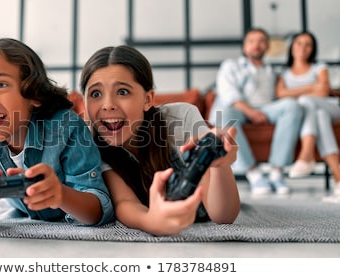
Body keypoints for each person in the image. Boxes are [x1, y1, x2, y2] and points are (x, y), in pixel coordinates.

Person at [0, 37, 114, 227]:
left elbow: (97, 210)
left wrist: (60, 194)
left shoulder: (67, 127)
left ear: (34, 94)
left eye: (0, 85)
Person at [80, 45, 240, 236]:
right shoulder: (90, 146)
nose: (108, 105)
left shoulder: (180, 118)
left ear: (148, 99)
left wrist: (219, 165)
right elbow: (124, 202)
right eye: (96, 94)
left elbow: (223, 216)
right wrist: (151, 222)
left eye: (122, 92)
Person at [208, 28, 304, 195]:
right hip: (238, 108)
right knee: (222, 111)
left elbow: (280, 95)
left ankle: (277, 172)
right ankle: (253, 173)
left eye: (261, 41)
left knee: (292, 106)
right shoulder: (231, 66)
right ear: (245, 47)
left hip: (267, 108)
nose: (256, 45)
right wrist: (251, 112)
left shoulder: (273, 71)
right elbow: (229, 94)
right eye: (251, 41)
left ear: (267, 47)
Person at [276, 31, 340, 195]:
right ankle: (338, 177)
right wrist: (312, 87)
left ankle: (307, 154)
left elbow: (324, 91)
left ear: (313, 49)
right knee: (319, 116)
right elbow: (280, 94)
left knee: (306, 101)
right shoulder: (284, 73)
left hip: (332, 107)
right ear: (292, 47)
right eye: (299, 43)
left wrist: (296, 92)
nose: (303, 47)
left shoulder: (320, 68)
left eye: (308, 44)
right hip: (318, 113)